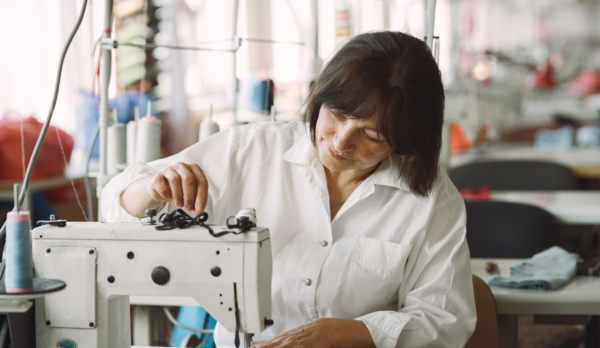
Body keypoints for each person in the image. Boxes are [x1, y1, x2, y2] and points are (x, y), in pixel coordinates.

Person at [102, 31, 476, 348]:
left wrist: (348, 333)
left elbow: (447, 320)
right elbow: (114, 206)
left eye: (371, 135)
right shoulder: (250, 151)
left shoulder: (430, 201)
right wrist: (152, 188)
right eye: (337, 114)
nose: (341, 142)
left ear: (407, 139)